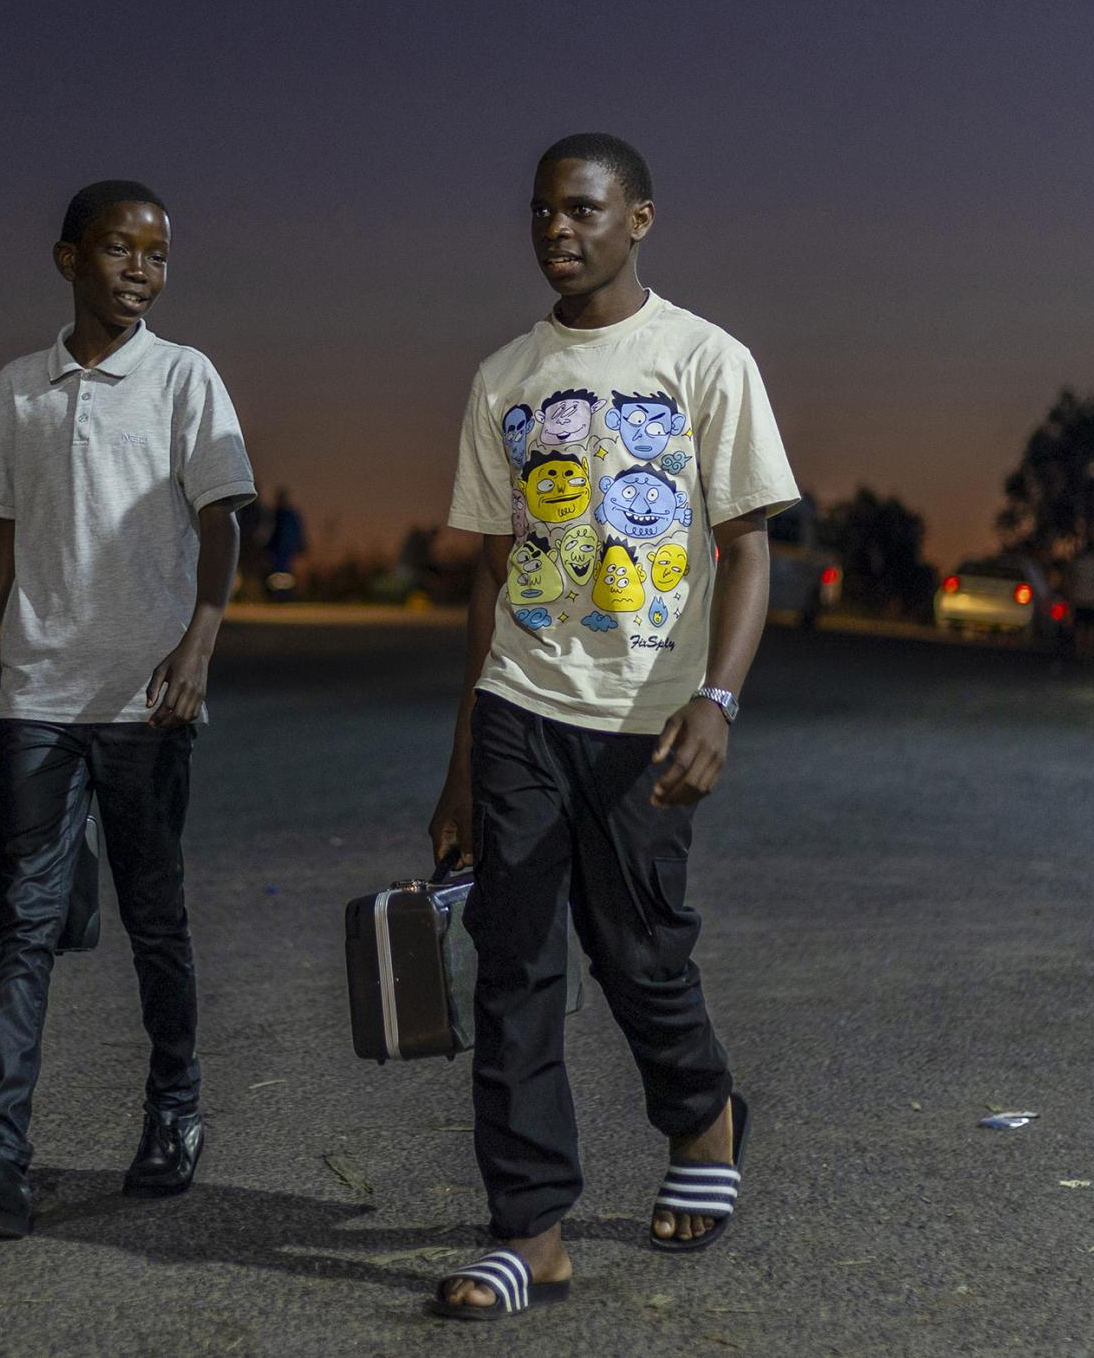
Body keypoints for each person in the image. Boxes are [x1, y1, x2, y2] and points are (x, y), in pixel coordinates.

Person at [423, 133, 797, 1321]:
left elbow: (747, 546)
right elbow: (491, 571)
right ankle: (528, 1230)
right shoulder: (504, 376)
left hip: (646, 716)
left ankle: (702, 1113)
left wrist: (716, 699)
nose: (557, 228)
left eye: (582, 208)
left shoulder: (704, 359)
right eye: (542, 209)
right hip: (520, 705)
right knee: (512, 966)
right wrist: (462, 759)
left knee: (638, 951)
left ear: (638, 217)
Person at [0, 179, 256, 1240]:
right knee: (22, 923)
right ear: (69, 258)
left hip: (146, 703)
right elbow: (0, 542)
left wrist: (197, 645)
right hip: (38, 697)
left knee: (155, 917)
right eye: (120, 249)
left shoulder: (184, 377)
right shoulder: (19, 390)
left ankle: (174, 1107)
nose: (141, 270)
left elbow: (222, 521)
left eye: (157, 253)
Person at [265, 489, 307, 599]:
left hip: (285, 549)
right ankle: (278, 594)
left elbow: (297, 531)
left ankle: (284, 594)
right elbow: (270, 532)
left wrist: (300, 545)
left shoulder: (288, 515)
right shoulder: (276, 514)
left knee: (285, 572)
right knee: (278, 572)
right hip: (278, 549)